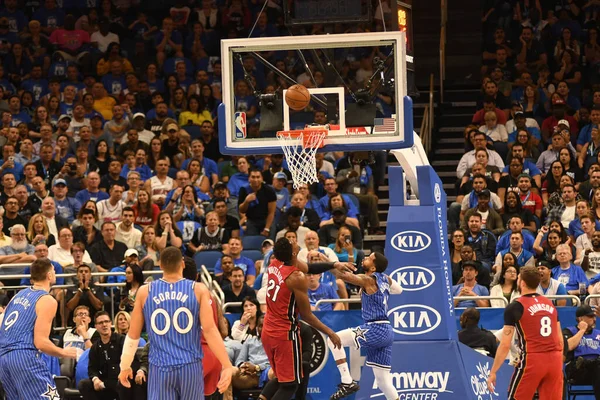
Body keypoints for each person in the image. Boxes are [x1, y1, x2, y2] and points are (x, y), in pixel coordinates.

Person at [117, 246, 234, 399]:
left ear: (161, 266)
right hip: (190, 367)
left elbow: (133, 335)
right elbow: (210, 330)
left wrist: (125, 366)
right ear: (183, 264)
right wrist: (227, 365)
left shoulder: (145, 292)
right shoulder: (199, 289)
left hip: (160, 368)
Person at [259, 238, 351, 400]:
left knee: (281, 378)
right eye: (291, 242)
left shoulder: (275, 264)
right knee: (291, 384)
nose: (294, 240)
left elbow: (309, 267)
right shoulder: (296, 278)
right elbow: (307, 315)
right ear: (294, 253)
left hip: (268, 330)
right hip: (284, 334)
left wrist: (333, 265)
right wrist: (330, 332)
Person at [326, 252, 401, 399]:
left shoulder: (369, 280)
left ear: (373, 268)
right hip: (386, 330)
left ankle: (347, 381)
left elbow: (343, 276)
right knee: (383, 381)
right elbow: (399, 290)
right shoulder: (384, 278)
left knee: (334, 340)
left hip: (376, 328)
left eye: (369, 258)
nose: (365, 258)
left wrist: (325, 261)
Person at [0, 258, 78, 399]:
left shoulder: (16, 296)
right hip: (23, 356)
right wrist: (64, 353)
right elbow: (40, 342)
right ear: (49, 275)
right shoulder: (47, 300)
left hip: (3, 358)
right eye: (54, 271)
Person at [487, 266, 563, 399]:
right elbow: (560, 339)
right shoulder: (550, 304)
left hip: (533, 359)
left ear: (521, 282)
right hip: (555, 359)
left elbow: (505, 345)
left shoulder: (516, 306)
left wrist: (493, 372)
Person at [563, 305, 600, 398]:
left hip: (596, 369)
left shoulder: (598, 333)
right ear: (581, 318)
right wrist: (582, 330)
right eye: (591, 316)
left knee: (598, 366)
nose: (594, 319)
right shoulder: (569, 331)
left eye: (594, 316)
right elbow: (569, 346)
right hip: (577, 370)